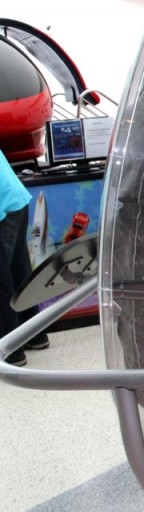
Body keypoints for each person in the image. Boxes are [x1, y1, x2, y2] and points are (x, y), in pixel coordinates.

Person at [1, 153, 47, 366]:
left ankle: (10, 350)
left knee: (2, 280)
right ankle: (35, 335)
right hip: (15, 198)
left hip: (3, 205)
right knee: (19, 271)